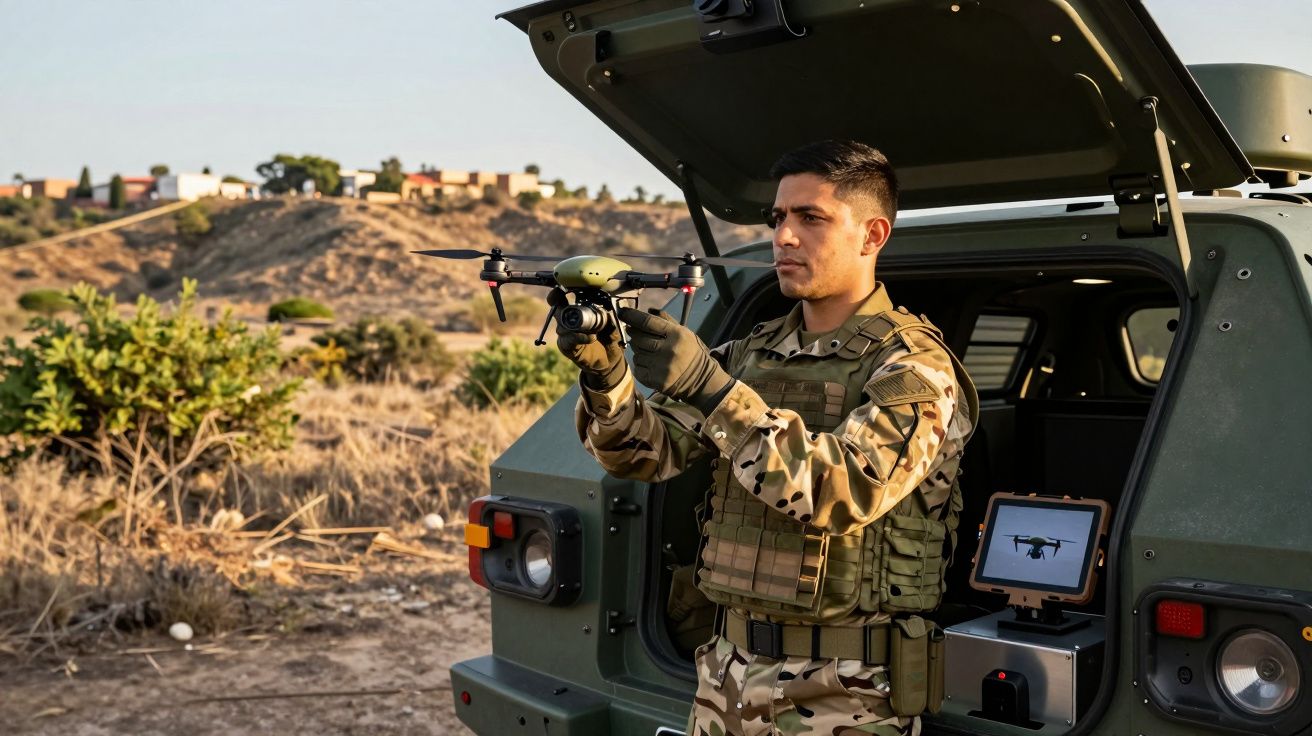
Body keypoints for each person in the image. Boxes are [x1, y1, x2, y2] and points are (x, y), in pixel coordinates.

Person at [558, 139, 978, 736]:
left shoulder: (913, 367)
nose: (784, 236)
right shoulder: (752, 355)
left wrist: (710, 387)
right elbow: (643, 454)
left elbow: (845, 491)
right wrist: (608, 379)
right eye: (778, 217)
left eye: (811, 218)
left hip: (845, 691)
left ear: (872, 234)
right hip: (727, 675)